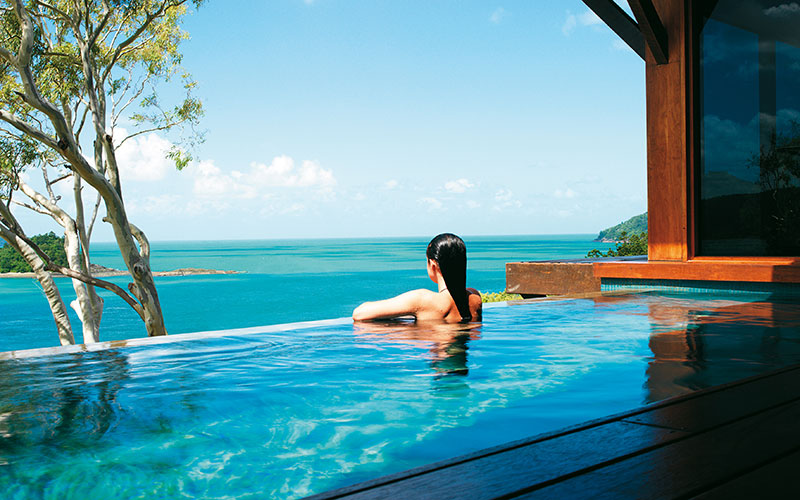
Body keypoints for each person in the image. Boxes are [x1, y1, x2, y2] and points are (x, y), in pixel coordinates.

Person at [352, 233, 482, 322]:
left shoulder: (422, 300)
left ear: (432, 265)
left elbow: (360, 313)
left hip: (441, 361)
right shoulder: (475, 297)